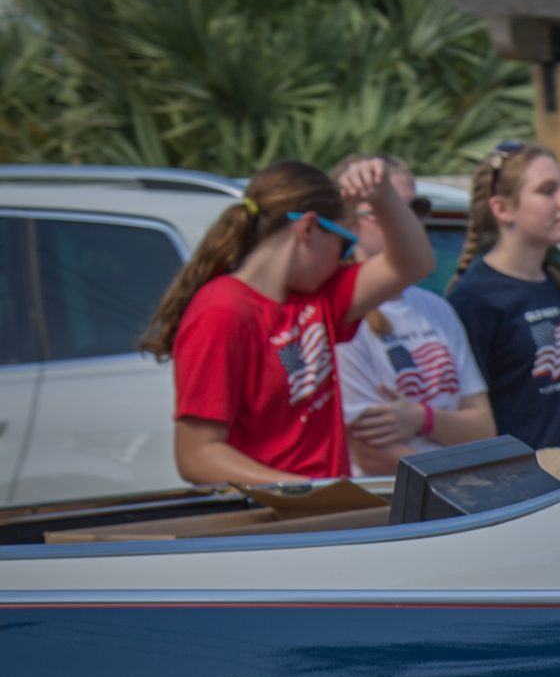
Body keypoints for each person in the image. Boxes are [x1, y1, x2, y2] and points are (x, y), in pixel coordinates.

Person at [140, 158, 434, 485]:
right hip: (273, 526)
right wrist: (304, 495)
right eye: (344, 243)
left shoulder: (317, 296)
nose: (345, 258)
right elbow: (197, 455)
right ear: (307, 228)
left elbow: (413, 264)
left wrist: (384, 197)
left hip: (323, 513)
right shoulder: (220, 313)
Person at [333, 155, 495, 476]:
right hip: (390, 507)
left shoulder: (435, 307)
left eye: (416, 208)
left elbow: (483, 428)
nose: (408, 220)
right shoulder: (343, 312)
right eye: (385, 208)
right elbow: (370, 454)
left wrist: (422, 418)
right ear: (349, 222)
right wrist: (454, 481)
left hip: (450, 498)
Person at [447, 141, 560, 450]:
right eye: (547, 190)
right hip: (523, 488)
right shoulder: (475, 297)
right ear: (502, 209)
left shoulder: (553, 281)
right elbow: (469, 413)